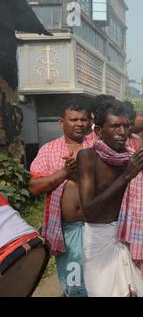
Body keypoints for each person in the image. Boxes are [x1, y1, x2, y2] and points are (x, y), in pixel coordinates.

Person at [77, 100, 143, 297]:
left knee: (141, 292)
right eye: (114, 126)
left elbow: (142, 191)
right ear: (99, 131)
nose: (122, 131)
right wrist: (126, 175)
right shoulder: (88, 157)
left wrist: (142, 171)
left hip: (129, 234)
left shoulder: (132, 157)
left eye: (125, 126)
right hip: (99, 236)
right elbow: (87, 210)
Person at [30, 101, 93, 297]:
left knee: (99, 281)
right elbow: (34, 187)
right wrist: (64, 173)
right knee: (74, 285)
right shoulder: (48, 150)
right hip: (67, 231)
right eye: (73, 119)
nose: (79, 123)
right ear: (61, 123)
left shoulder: (97, 148)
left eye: (83, 119)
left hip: (97, 228)